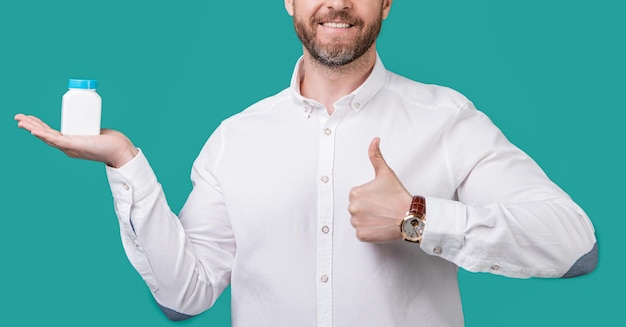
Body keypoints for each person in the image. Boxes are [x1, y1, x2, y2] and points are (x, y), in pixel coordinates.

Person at [15, 0, 597, 326]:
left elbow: (574, 244)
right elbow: (183, 295)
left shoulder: (447, 119)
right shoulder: (235, 138)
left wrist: (418, 218)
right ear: (290, 1)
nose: (337, 3)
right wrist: (125, 161)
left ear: (388, 2)